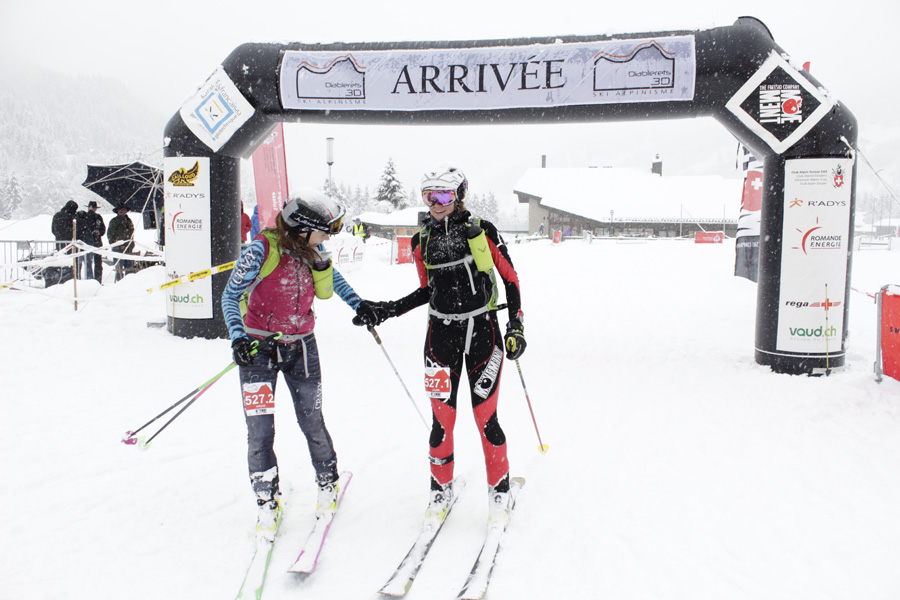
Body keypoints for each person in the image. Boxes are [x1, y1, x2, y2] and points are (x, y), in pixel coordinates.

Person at [358, 166, 526, 524]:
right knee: (441, 421)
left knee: (486, 419)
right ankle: (440, 490)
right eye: (429, 196)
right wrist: (387, 309)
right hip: (440, 337)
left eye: (444, 195)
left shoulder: (481, 230)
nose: (436, 203)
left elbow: (510, 279)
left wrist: (516, 326)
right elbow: (427, 291)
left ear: (459, 196)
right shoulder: (421, 241)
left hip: (482, 332)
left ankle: (499, 491)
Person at [221, 189, 381, 542]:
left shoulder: (312, 249)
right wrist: (238, 337)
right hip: (258, 350)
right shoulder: (261, 250)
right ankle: (266, 501)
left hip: (302, 348)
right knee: (260, 431)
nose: (328, 238)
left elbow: (333, 279)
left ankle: (327, 483)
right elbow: (230, 295)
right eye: (325, 230)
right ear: (302, 226)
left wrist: (360, 305)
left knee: (312, 420)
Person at [50, 200, 79, 284]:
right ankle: (72, 279)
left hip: (59, 243)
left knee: (61, 261)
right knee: (72, 261)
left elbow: (53, 230)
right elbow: (75, 230)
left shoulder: (57, 215)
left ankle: (60, 278)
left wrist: (59, 236)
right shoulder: (72, 217)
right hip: (71, 244)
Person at [107, 204, 135, 281]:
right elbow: (110, 234)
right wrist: (114, 244)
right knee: (119, 269)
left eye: (123, 209)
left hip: (127, 248)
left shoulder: (129, 221)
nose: (122, 211)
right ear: (118, 211)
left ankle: (129, 282)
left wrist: (131, 244)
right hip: (118, 248)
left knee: (129, 268)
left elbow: (131, 233)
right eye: (120, 210)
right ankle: (119, 283)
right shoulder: (114, 221)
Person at [81, 200, 106, 282]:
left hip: (95, 242)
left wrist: (99, 232)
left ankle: (97, 280)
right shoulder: (85, 216)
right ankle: (92, 280)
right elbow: (85, 228)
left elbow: (103, 229)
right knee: (89, 262)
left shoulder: (98, 217)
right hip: (89, 242)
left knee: (95, 262)